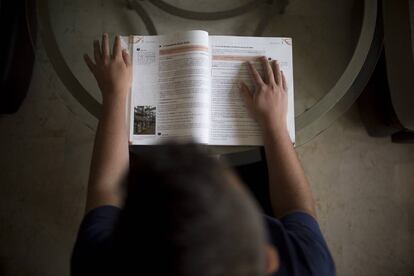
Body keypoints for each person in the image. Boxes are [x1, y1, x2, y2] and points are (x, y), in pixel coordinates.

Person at [71, 33, 335, 276]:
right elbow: (297, 208)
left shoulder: (96, 264)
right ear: (269, 259)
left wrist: (115, 95)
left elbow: (107, 190)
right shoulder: (310, 268)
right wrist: (275, 123)